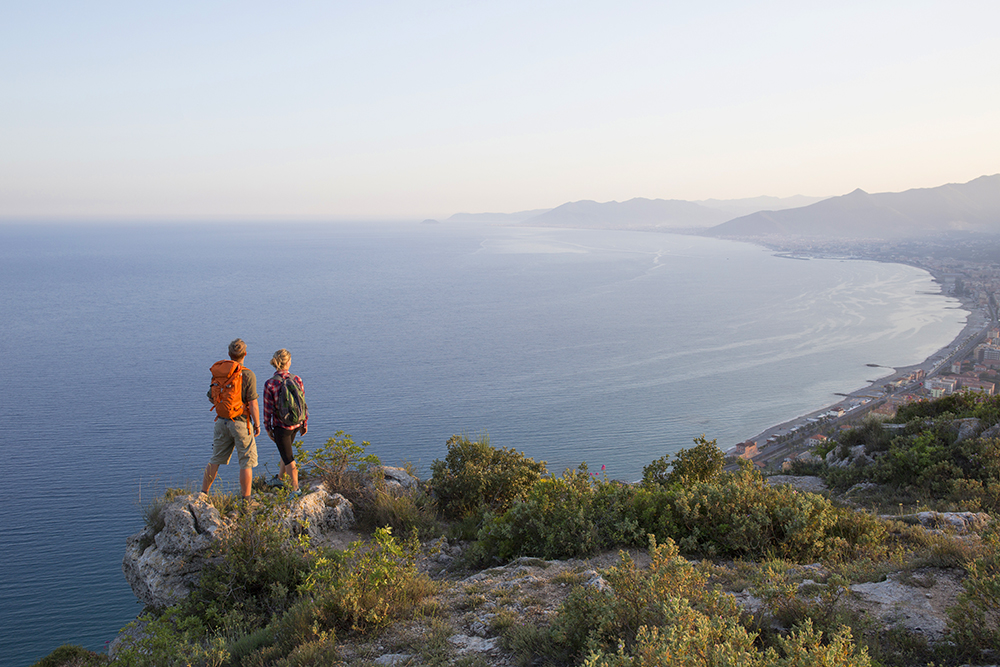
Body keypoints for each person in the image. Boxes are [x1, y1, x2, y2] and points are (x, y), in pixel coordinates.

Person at [202, 338, 260, 501]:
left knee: (215, 459)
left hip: (221, 422)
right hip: (241, 422)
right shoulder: (248, 374)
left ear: (229, 354)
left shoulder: (220, 373)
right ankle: (246, 500)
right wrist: (257, 425)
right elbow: (253, 404)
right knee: (246, 462)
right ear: (245, 354)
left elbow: (211, 397)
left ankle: (203, 494)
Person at [262, 348, 308, 493]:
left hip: (281, 427)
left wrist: (268, 429)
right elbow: (303, 404)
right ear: (288, 362)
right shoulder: (297, 379)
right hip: (296, 423)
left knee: (289, 458)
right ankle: (280, 479)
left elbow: (268, 410)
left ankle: (295, 490)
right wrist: (304, 423)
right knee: (285, 452)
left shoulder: (270, 384)